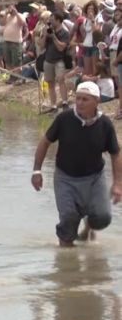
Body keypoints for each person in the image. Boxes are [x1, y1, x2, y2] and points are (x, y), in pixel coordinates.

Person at [32, 82, 122, 246]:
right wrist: (36, 171)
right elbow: (44, 142)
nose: (80, 103)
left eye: (85, 99)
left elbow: (115, 154)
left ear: (97, 101)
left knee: (103, 218)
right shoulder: (64, 118)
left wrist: (117, 184)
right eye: (78, 98)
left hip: (95, 177)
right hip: (65, 176)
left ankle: (88, 227)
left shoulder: (105, 124)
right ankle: (66, 262)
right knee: (68, 218)